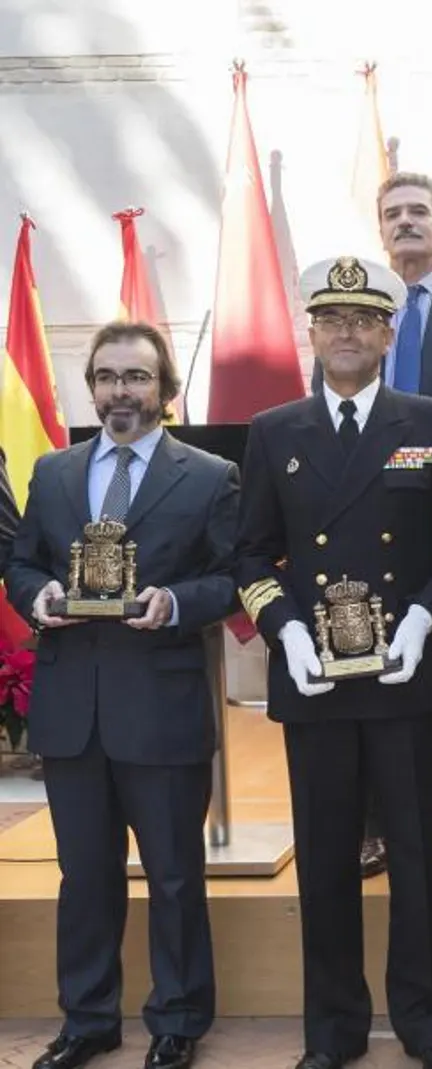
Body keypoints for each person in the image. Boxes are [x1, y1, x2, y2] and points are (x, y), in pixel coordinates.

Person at [236, 256, 432, 1069]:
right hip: (317, 684)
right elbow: (252, 555)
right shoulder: (275, 432)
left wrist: (426, 617)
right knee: (328, 861)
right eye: (332, 317)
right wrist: (288, 633)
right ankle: (333, 1031)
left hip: (409, 675)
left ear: (389, 332)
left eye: (365, 319)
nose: (347, 331)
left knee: (418, 858)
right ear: (311, 330)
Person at [4, 323, 235, 1069]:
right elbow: (23, 560)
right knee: (85, 875)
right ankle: (89, 1017)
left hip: (161, 709)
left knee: (173, 875)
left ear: (164, 391)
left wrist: (175, 600)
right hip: (74, 710)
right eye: (105, 377)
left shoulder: (208, 475)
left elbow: (234, 574)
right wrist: (38, 597)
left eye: (135, 377)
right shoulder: (55, 472)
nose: (118, 392)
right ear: (92, 388)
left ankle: (177, 1017)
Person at [315, 172, 432, 882]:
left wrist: (407, 458)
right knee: (359, 673)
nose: (406, 223)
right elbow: (328, 407)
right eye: (392, 213)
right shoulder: (349, 315)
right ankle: (375, 827)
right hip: (359, 520)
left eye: (419, 212)